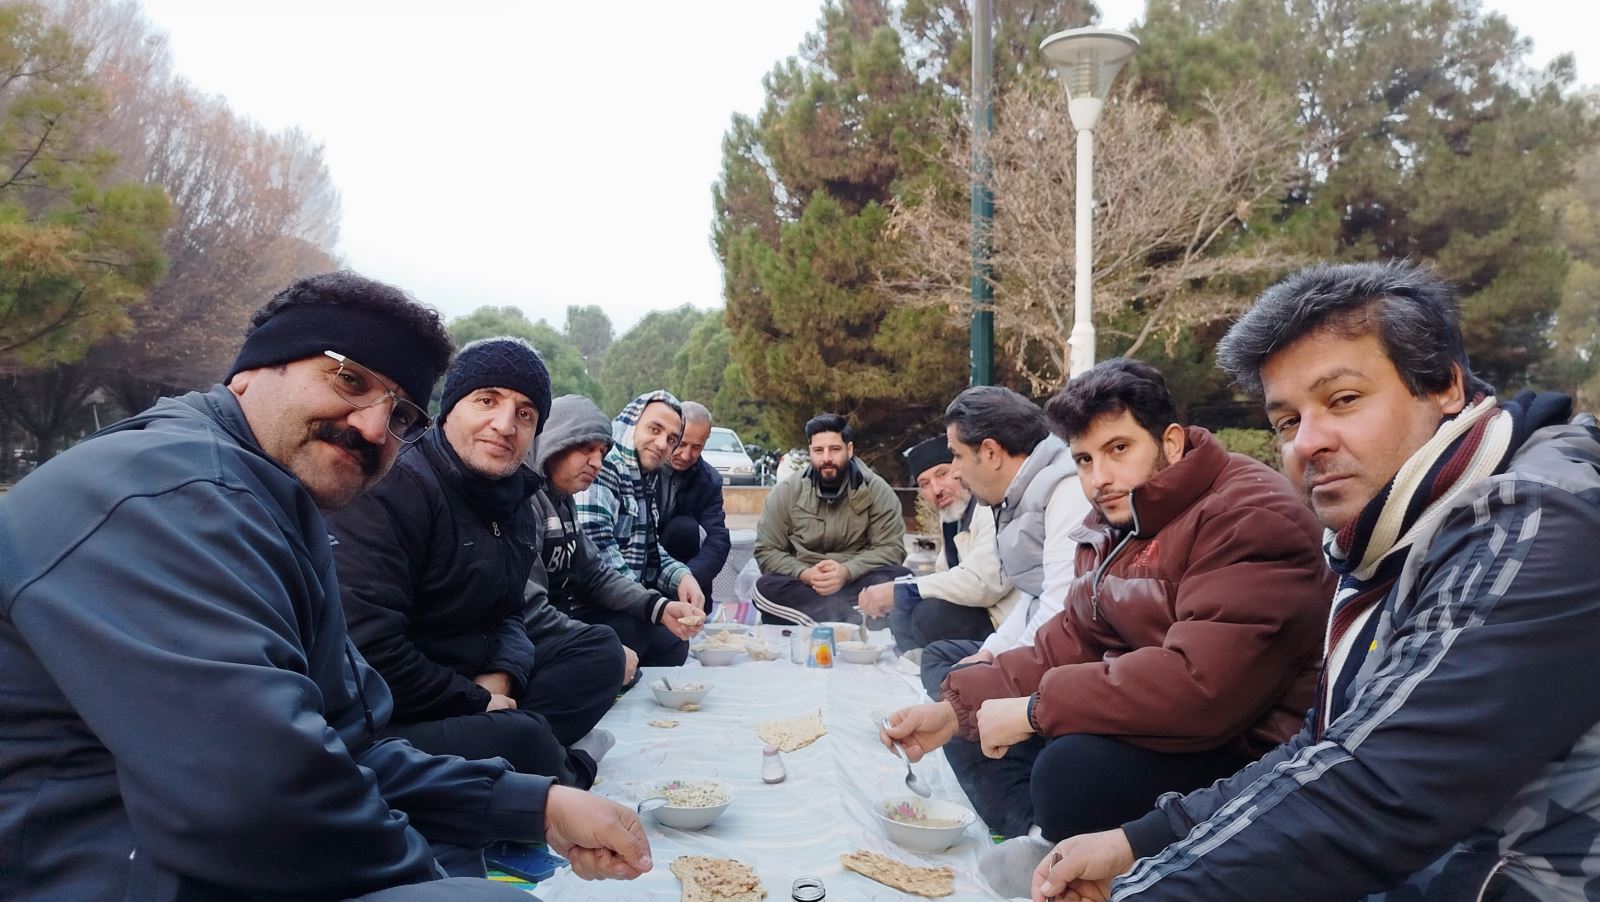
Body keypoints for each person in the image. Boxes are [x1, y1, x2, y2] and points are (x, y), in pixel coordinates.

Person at [0, 273, 650, 901]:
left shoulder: (280, 507)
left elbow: (346, 742)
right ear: (252, 369)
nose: (372, 427)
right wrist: (437, 878)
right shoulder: (172, 495)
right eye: (349, 379)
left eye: (399, 413)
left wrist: (535, 805)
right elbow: (261, 796)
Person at [1032, 261, 1600, 902]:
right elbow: (1329, 741)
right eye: (1286, 421)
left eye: (1343, 400)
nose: (1308, 442)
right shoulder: (1390, 537)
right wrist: (1140, 840)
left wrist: (1144, 888)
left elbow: (1375, 790)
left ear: (1444, 385)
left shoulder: (1535, 521)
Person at [882, 360, 1332, 897]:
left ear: (1170, 442)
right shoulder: (1119, 519)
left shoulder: (1248, 514)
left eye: (1119, 449)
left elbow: (1202, 687)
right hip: (1158, 716)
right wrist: (955, 710)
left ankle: (1070, 844)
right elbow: (1071, 638)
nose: (1099, 478)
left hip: (1250, 754)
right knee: (974, 718)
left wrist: (1034, 711)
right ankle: (1046, 836)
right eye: (1084, 460)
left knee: (1069, 770)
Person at [328, 338, 625, 795]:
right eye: (487, 400)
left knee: (601, 651)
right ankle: (566, 765)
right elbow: (372, 651)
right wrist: (474, 700)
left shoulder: (516, 500)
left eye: (524, 413)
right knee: (523, 739)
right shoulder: (395, 486)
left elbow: (510, 613)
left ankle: (514, 753)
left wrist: (503, 674)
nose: (505, 425)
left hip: (475, 679)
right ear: (450, 409)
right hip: (396, 710)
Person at [912, 386, 1091, 700]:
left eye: (956, 456)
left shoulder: (1067, 491)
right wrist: (990, 652)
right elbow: (1033, 594)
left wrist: (997, 672)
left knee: (958, 692)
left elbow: (1058, 611)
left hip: (1067, 662)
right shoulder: (1017, 497)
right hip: (1029, 640)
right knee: (941, 662)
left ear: (991, 453)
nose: (955, 471)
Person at [539, 394, 703, 666]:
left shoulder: (636, 480)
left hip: (597, 606)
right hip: (578, 613)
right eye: (654, 429)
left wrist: (674, 586)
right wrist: (644, 610)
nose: (662, 444)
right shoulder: (597, 472)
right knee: (631, 639)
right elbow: (602, 556)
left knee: (669, 639)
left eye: (672, 439)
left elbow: (601, 569)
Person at [858, 435, 1020, 653]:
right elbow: (944, 577)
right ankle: (917, 662)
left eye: (942, 474)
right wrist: (898, 594)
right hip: (975, 611)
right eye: (924, 484)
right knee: (901, 613)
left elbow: (983, 583)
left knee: (930, 615)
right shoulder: (952, 519)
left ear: (959, 471)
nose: (936, 489)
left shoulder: (990, 509)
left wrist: (903, 591)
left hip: (1004, 625)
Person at [752, 412, 911, 625]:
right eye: (818, 450)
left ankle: (813, 620)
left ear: (849, 449)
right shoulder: (787, 491)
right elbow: (767, 550)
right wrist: (805, 573)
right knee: (763, 587)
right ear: (810, 451)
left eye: (835, 449)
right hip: (803, 585)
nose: (826, 458)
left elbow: (891, 549)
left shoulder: (877, 491)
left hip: (856, 583)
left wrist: (847, 571)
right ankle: (848, 619)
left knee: (901, 578)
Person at [657, 400, 731, 602]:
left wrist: (688, 578)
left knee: (686, 528)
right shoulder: (644, 467)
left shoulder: (709, 480)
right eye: (680, 444)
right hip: (644, 564)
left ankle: (687, 600)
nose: (686, 455)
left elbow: (718, 538)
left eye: (696, 447)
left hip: (686, 568)